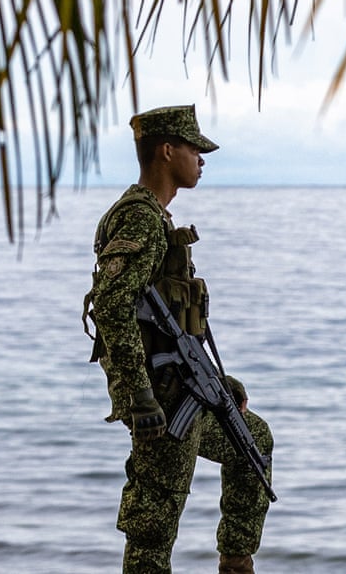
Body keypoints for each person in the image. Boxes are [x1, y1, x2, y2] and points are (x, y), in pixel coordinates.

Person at [83, 105, 272, 574]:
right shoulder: (142, 220)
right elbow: (110, 306)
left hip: (179, 390)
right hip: (163, 407)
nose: (201, 159)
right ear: (167, 151)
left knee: (255, 442)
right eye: (194, 149)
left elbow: (165, 323)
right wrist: (141, 397)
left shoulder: (157, 221)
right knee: (153, 531)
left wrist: (216, 381)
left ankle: (235, 560)